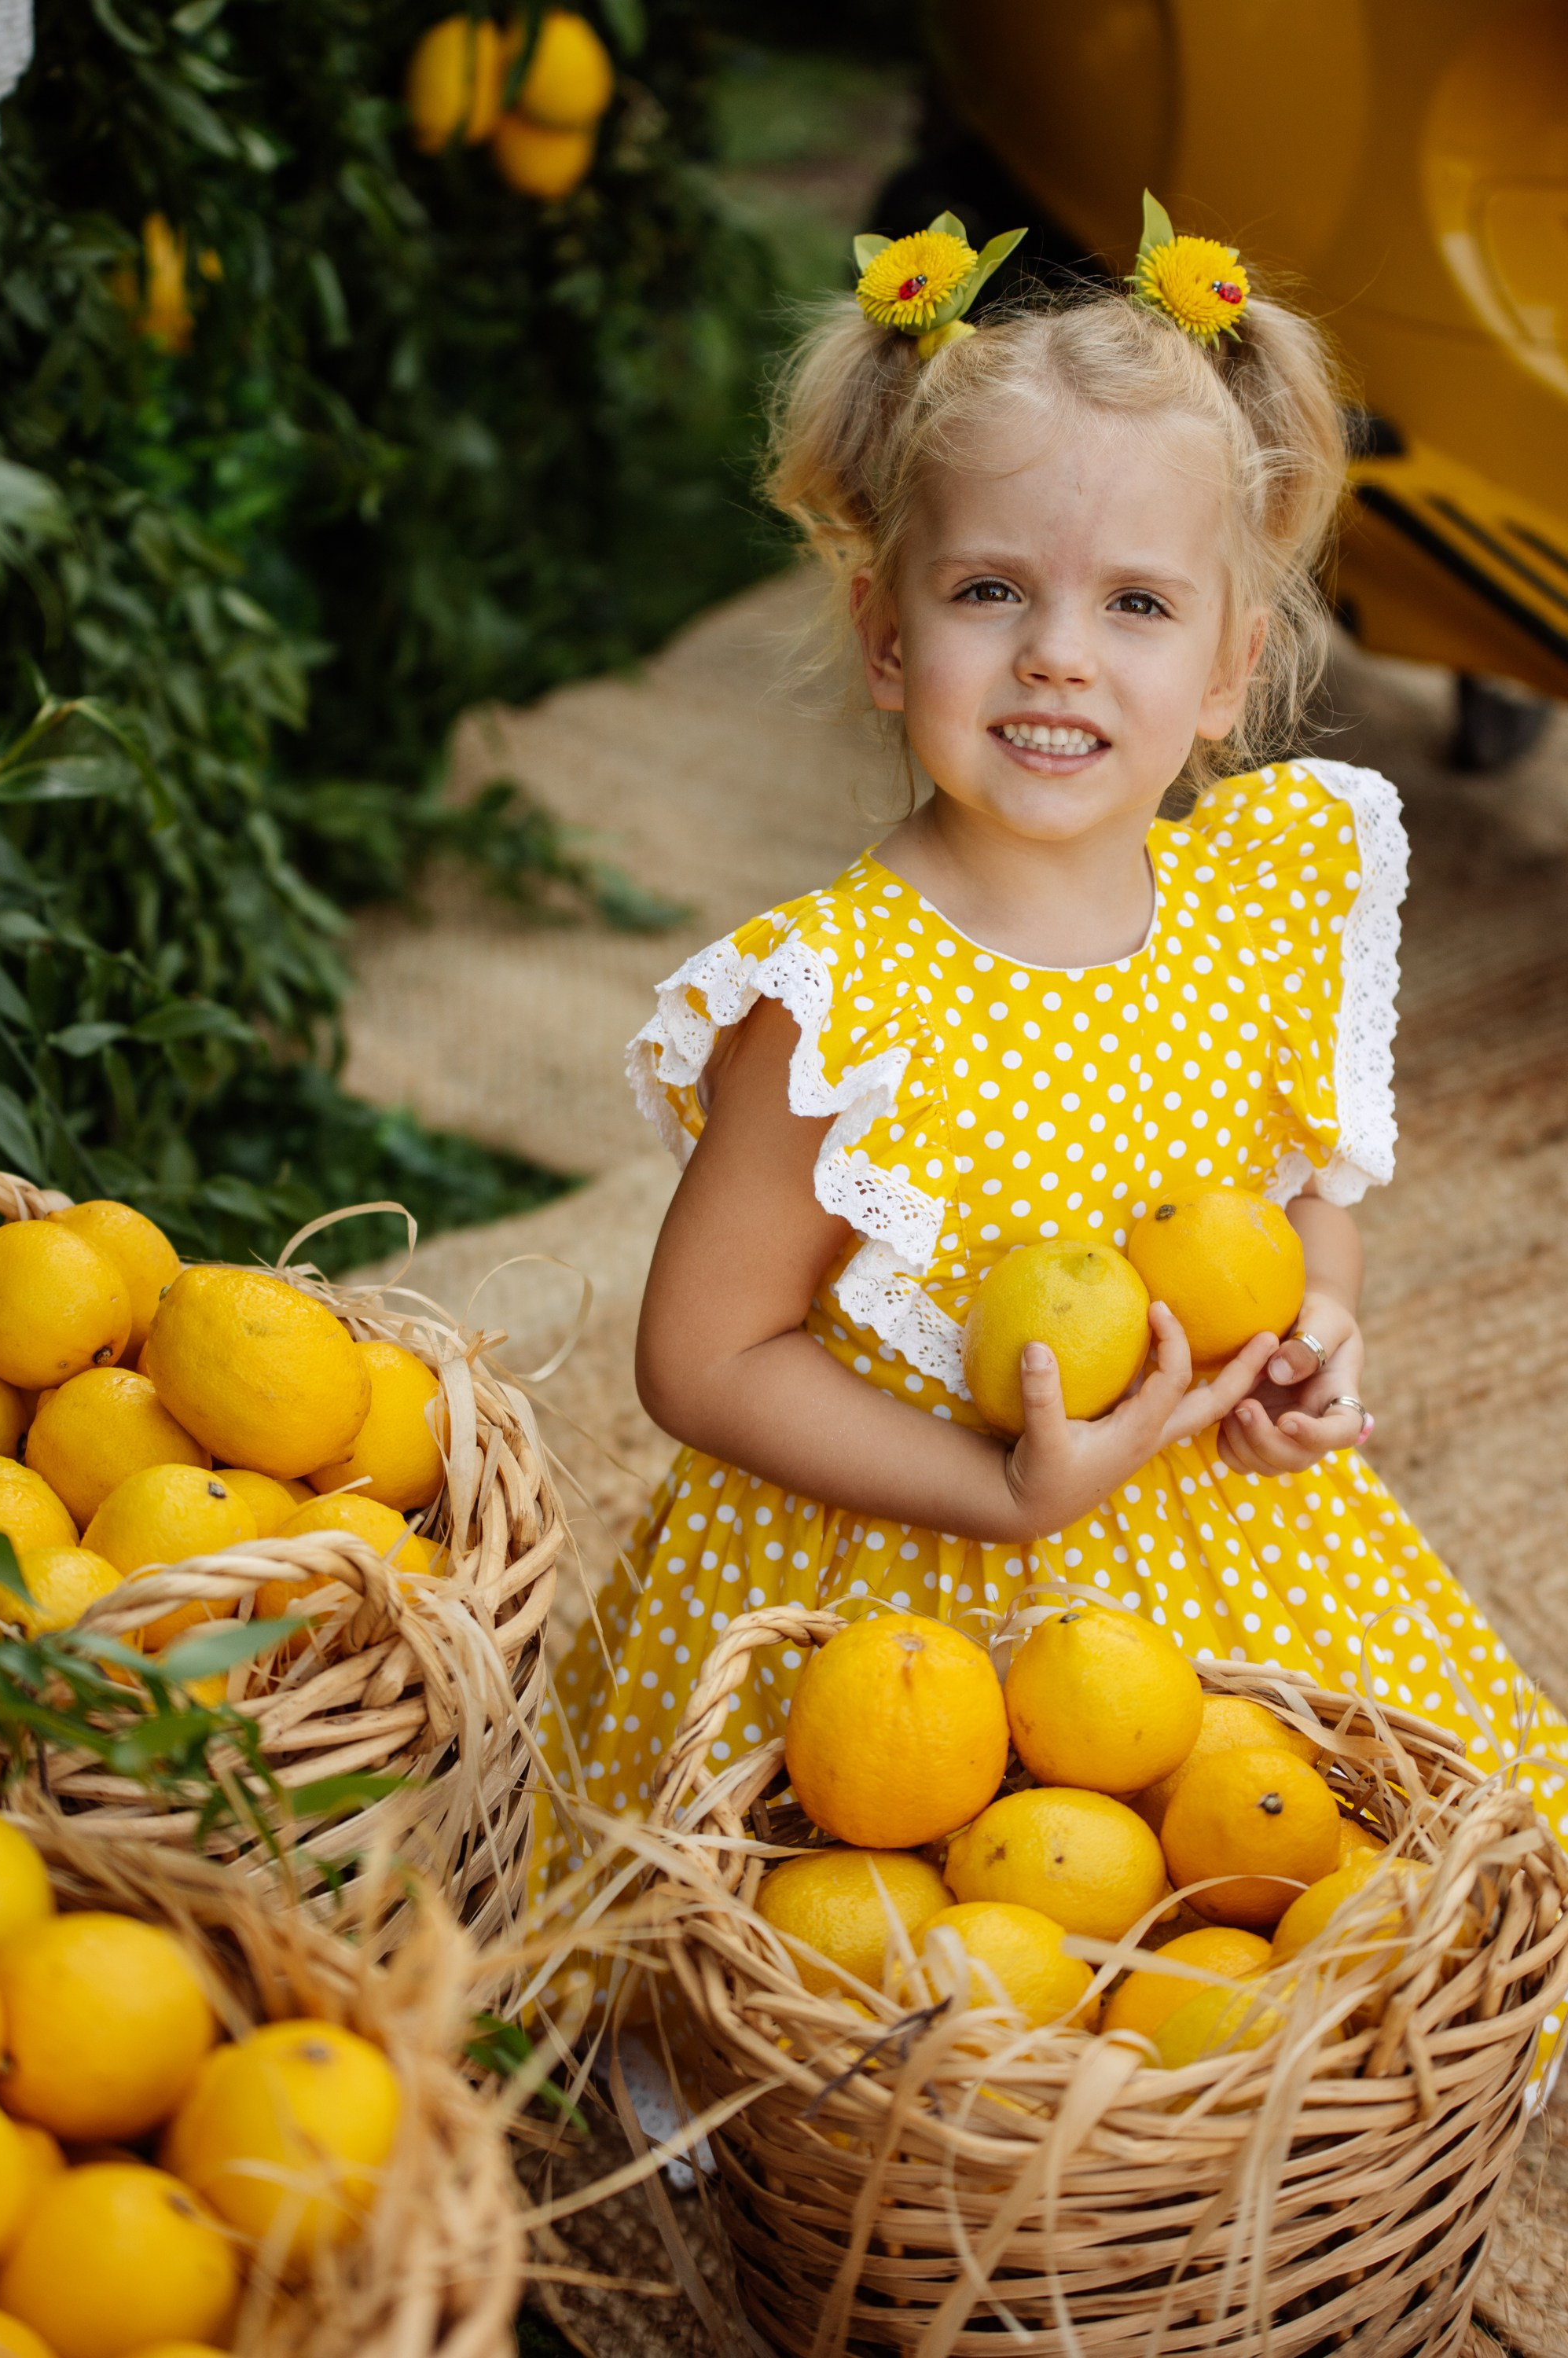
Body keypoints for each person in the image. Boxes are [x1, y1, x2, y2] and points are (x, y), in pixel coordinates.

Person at [534, 204, 1568, 2049]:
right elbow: (702, 1357)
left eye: (1138, 605)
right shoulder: (832, 1003)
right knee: (902, 1995)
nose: (1058, 659)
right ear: (882, 631)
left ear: (1233, 667)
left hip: (1214, 1564)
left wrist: (1313, 1335)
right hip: (894, 1604)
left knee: (1298, 1901)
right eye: (990, 590)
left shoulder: (1257, 905)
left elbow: (1299, 1202)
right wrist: (997, 1492)